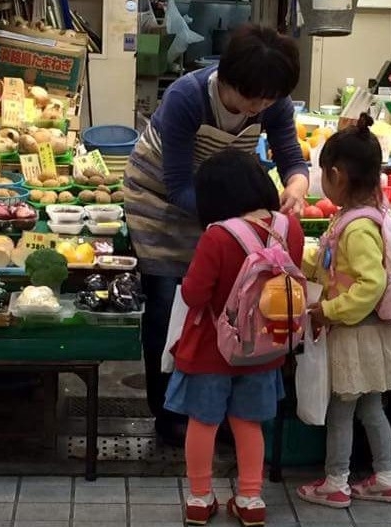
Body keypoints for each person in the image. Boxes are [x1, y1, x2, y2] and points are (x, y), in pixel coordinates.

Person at [123, 23, 309, 445]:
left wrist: (297, 184)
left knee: (230, 304)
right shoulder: (187, 97)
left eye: (268, 99)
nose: (257, 107)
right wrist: (238, 225)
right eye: (249, 98)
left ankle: (219, 409)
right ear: (225, 79)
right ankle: (168, 412)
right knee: (169, 305)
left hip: (226, 209)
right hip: (161, 202)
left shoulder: (271, 101)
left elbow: (291, 158)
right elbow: (178, 186)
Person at [164, 148, 305, 526]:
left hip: (213, 348)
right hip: (265, 346)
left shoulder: (218, 236)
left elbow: (194, 294)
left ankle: (198, 498)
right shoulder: (290, 228)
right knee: (248, 422)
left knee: (204, 422)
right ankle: (250, 499)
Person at [296, 114, 391, 508]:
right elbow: (337, 266)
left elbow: (370, 282)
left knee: (343, 411)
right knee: (371, 409)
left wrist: (330, 310)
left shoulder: (357, 226)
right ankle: (387, 476)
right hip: (369, 331)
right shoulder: (358, 217)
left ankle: (336, 482)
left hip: (355, 331)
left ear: (336, 176)